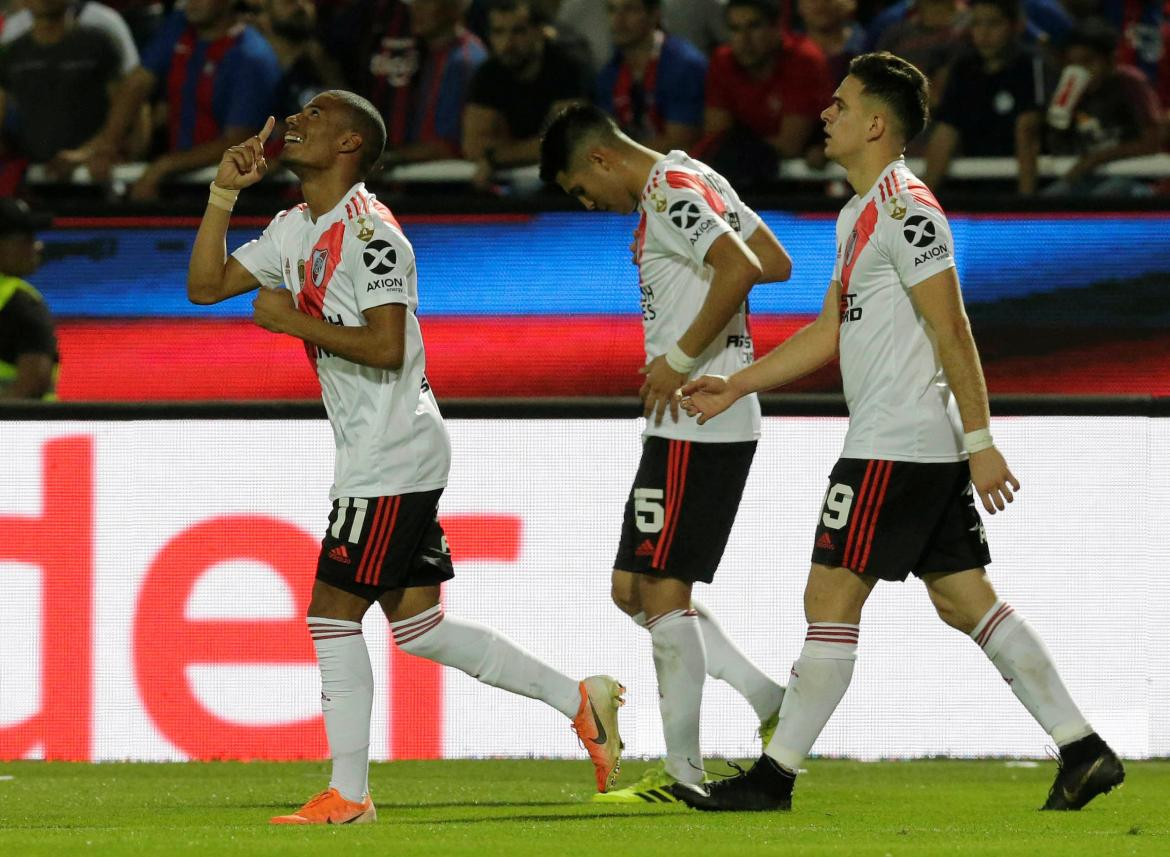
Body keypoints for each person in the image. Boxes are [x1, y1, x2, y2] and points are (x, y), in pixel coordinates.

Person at [672, 52, 1125, 813]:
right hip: (909, 444)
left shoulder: (910, 209)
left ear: (876, 124)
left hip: (894, 444)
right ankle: (1084, 749)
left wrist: (981, 442)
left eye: (841, 105)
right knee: (965, 600)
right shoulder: (860, 213)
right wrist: (738, 384)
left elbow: (953, 327)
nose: (826, 114)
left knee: (830, 596)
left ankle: (772, 777)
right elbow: (828, 330)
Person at [187, 90, 625, 825]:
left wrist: (289, 318)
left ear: (352, 144)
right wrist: (224, 193)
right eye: (295, 114)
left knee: (331, 615)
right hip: (381, 447)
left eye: (315, 117)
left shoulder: (374, 235)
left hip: (392, 450)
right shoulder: (294, 227)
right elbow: (204, 286)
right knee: (419, 628)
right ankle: (580, 697)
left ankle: (350, 795)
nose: (295, 123)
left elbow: (388, 348)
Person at [540, 103, 792, 803]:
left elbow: (742, 269)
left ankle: (684, 773)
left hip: (697, 414)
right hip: (690, 418)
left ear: (598, 159)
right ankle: (770, 697)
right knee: (633, 588)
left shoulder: (669, 190)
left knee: (660, 591)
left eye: (582, 191)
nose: (591, 205)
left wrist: (680, 355)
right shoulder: (692, 175)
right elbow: (774, 258)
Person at [61, 0, 281, 200]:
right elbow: (138, 83)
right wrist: (105, 145)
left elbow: (239, 141)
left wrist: (164, 166)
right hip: (180, 186)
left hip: (234, 195)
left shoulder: (252, 57)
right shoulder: (179, 27)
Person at [923, 0, 1049, 194]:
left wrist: (1026, 208)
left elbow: (1028, 133)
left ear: (1014, 26)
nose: (984, 33)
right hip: (974, 185)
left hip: (1018, 188)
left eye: (993, 24)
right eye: (977, 24)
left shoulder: (1030, 65)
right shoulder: (964, 68)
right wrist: (920, 203)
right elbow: (946, 131)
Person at [463, 0, 593, 186]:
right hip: (508, 190)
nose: (508, 43)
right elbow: (473, 146)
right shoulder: (487, 75)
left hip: (564, 191)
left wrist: (495, 157)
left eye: (518, 31)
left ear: (539, 31)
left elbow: (563, 143)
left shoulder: (568, 68)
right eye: (499, 32)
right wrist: (528, 150)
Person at [595, 0, 708, 154]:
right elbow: (606, 133)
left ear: (654, 14)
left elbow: (679, 144)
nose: (618, 20)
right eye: (612, 10)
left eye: (630, 9)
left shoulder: (684, 64)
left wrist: (615, 155)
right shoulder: (610, 71)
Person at [0, 199, 57, 400]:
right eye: (26, 239)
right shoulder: (22, 305)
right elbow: (30, 390)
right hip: (20, 430)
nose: (37, 245)